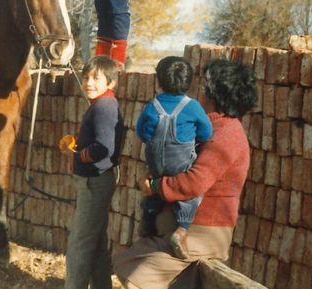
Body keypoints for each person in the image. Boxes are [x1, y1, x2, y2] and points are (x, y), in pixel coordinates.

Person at [113, 58, 257, 289]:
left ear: (215, 93)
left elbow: (195, 182)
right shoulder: (209, 125)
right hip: (185, 229)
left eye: (206, 87)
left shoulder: (226, 133)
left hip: (203, 231)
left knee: (136, 277)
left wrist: (157, 186)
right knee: (127, 263)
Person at [135, 56, 213, 259]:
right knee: (190, 195)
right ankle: (182, 230)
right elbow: (206, 133)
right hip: (180, 162)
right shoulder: (193, 106)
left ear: (159, 81)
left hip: (155, 162)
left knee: (153, 184)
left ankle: (149, 217)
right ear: (189, 82)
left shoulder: (152, 106)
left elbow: (141, 132)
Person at [58, 56, 124, 289]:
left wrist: (78, 154)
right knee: (95, 241)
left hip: (94, 182)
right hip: (97, 180)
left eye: (96, 78)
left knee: (80, 242)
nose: (88, 83)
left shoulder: (104, 107)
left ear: (111, 83)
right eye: (86, 77)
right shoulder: (103, 104)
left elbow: (103, 148)